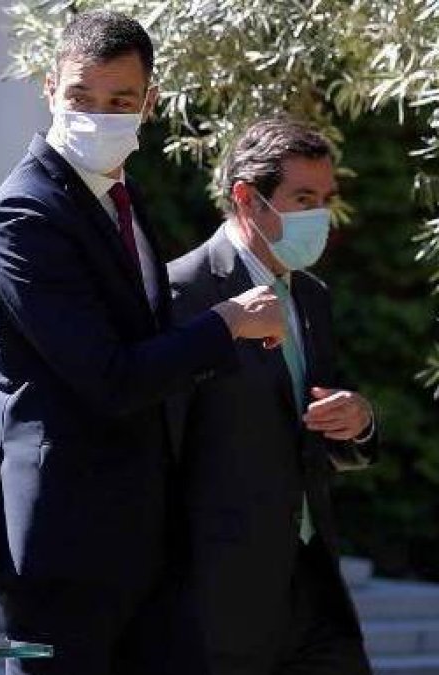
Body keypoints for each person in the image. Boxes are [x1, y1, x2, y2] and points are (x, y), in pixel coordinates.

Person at [0, 10, 288, 674]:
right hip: (66, 537)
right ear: (49, 89)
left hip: (142, 529)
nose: (99, 115)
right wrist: (227, 324)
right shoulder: (24, 216)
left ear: (149, 104)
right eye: (80, 97)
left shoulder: (118, 196)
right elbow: (108, 374)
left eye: (120, 101)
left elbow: (144, 345)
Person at [168, 116, 376, 675]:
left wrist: (356, 421)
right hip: (219, 602)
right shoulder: (182, 293)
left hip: (313, 587)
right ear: (247, 199)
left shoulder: (311, 296)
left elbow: (312, 421)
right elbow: (157, 452)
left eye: (326, 198)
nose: (320, 216)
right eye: (302, 197)